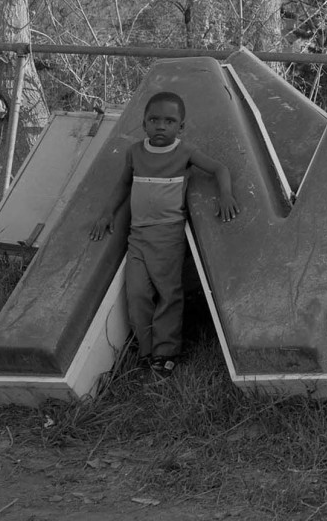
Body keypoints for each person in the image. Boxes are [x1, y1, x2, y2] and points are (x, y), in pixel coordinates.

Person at [89, 91, 238, 378]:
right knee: (137, 294)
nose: (161, 126)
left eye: (169, 121)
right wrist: (107, 212)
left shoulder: (185, 153)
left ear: (180, 127)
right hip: (137, 238)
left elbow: (220, 168)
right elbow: (122, 185)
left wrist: (226, 195)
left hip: (168, 237)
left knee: (169, 294)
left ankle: (166, 353)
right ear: (143, 124)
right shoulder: (134, 152)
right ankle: (146, 350)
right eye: (154, 120)